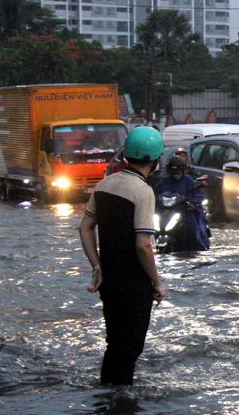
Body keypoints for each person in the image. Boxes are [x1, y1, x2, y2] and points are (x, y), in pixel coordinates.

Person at [78, 126, 166, 386]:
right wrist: (157, 283)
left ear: (126, 155)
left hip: (109, 280)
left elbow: (84, 228)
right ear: (156, 159)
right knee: (129, 349)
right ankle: (121, 409)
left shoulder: (104, 184)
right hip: (133, 283)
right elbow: (143, 245)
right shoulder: (143, 191)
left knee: (115, 343)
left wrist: (97, 266)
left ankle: (108, 399)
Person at [153, 156, 210, 252]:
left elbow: (197, 195)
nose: (176, 175)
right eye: (173, 173)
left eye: (178, 173)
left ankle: (200, 247)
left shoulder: (188, 180)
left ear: (183, 170)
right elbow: (156, 192)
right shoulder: (164, 181)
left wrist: (192, 202)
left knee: (193, 233)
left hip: (185, 212)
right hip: (167, 212)